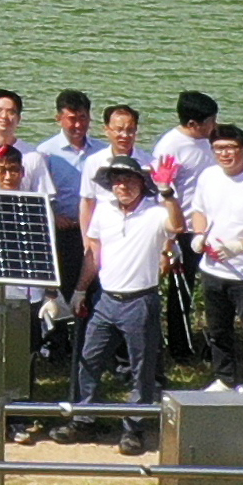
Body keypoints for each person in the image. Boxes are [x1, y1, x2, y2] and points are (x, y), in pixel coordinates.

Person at [73, 159, 175, 451]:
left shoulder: (156, 213)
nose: (123, 186)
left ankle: (134, 428)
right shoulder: (104, 210)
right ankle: (85, 418)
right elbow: (93, 251)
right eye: (117, 180)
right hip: (105, 299)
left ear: (142, 183)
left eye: (129, 180)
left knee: (141, 369)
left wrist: (167, 192)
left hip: (140, 299)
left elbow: (177, 225)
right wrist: (80, 290)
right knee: (89, 359)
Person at [183, 123, 243, 393]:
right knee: (217, 330)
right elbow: (198, 210)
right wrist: (200, 236)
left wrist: (241, 246)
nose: (224, 154)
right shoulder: (209, 176)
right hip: (213, 268)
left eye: (230, 148)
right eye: (218, 149)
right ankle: (225, 378)